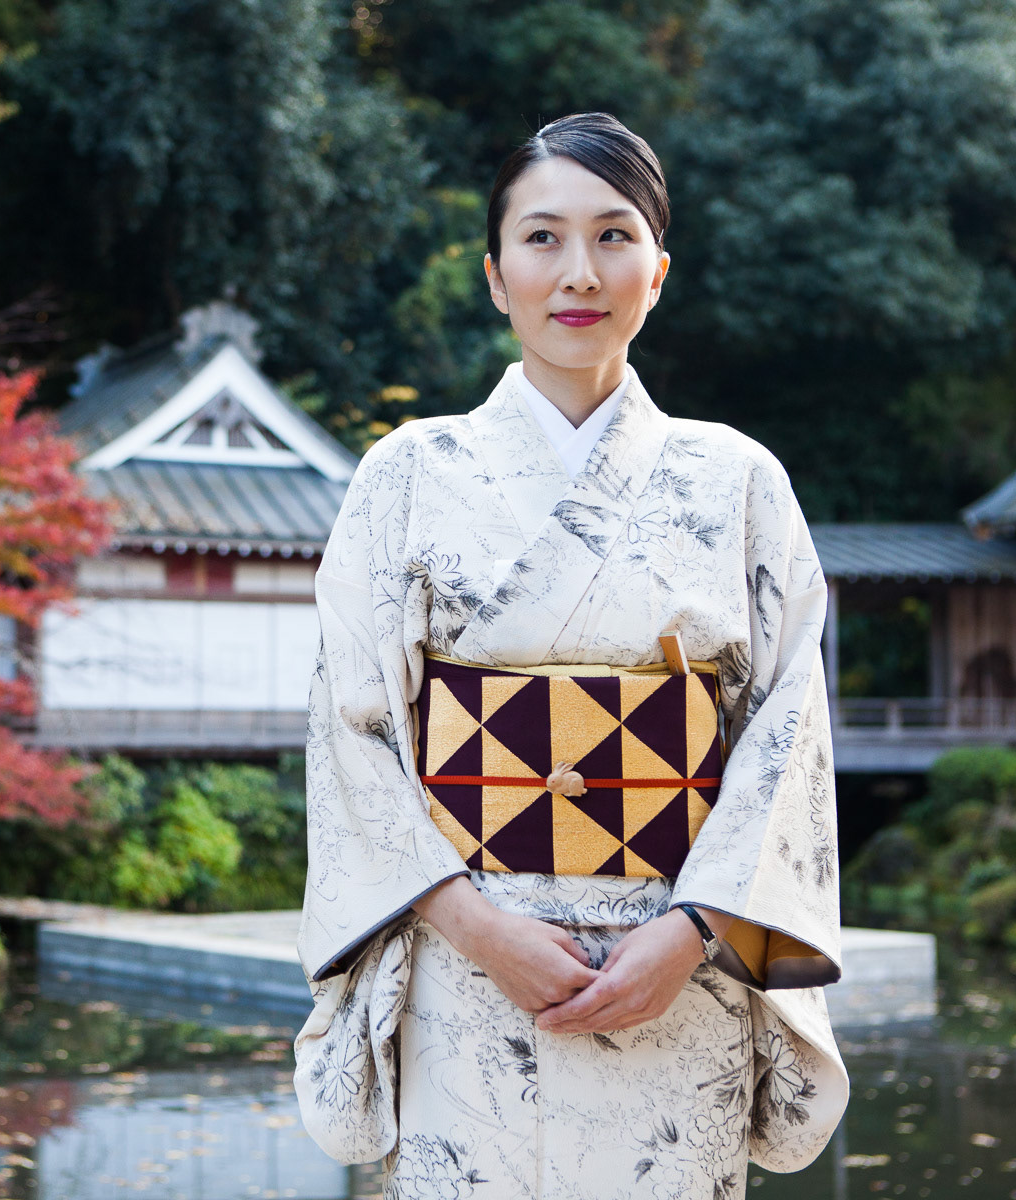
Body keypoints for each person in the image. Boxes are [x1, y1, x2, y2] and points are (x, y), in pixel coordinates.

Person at [293, 112, 849, 1198]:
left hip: (676, 969)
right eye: (542, 238)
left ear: (659, 270)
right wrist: (476, 926)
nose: (579, 272)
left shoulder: (736, 482)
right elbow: (351, 729)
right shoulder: (406, 475)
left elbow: (788, 732)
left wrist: (691, 934)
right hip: (467, 969)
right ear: (495, 274)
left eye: (615, 236)